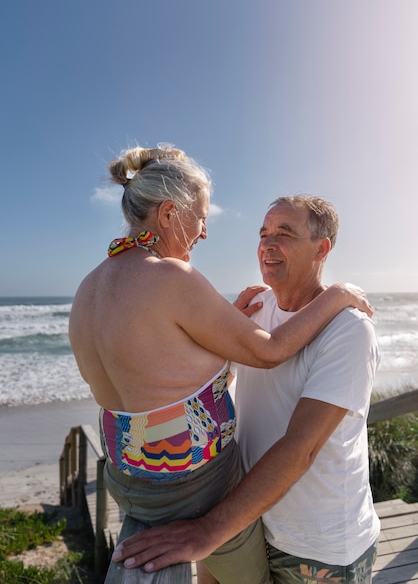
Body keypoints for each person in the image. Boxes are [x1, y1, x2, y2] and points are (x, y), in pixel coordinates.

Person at [69, 147, 373, 584]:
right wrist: (340, 292)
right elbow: (269, 352)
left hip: (131, 487)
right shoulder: (172, 278)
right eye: (202, 217)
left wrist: (220, 339)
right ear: (171, 214)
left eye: (282, 234)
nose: (206, 232)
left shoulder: (89, 288)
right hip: (197, 492)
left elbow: (169, 378)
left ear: (321, 248)